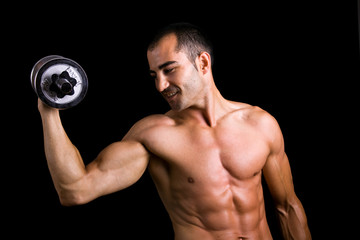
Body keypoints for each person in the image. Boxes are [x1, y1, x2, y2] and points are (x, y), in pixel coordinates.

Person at [37, 23, 311, 240]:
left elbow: (287, 208)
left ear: (203, 63)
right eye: (154, 75)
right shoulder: (155, 135)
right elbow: (75, 190)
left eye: (168, 70)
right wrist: (49, 109)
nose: (160, 85)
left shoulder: (261, 124)